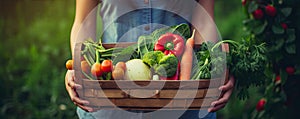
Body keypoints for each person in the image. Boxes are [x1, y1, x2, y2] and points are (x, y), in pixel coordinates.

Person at [65, 0, 235, 118]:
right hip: (110, 100)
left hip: (184, 104)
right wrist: (79, 67)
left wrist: (216, 69)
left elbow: (204, 21)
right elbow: (84, 22)